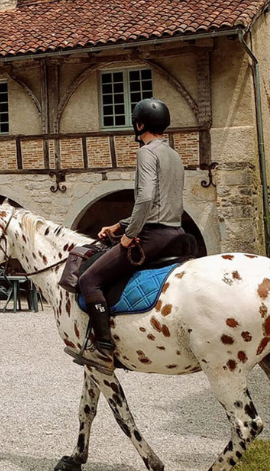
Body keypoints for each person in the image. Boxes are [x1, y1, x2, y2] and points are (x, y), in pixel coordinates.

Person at [74, 98, 185, 371]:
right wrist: (119, 225)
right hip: (177, 232)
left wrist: (129, 235)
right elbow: (162, 201)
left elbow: (146, 199)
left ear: (139, 124)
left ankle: (103, 349)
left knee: (90, 279)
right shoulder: (174, 155)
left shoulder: (146, 153)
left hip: (153, 236)